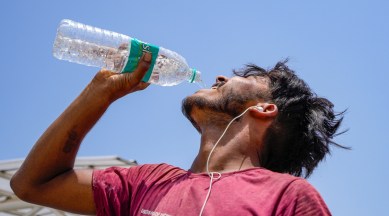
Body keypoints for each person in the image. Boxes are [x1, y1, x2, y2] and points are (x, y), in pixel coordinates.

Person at [10, 52, 345, 216]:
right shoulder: (146, 182)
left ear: (265, 108)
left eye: (247, 77)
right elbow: (32, 184)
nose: (219, 77)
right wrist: (99, 94)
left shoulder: (288, 197)